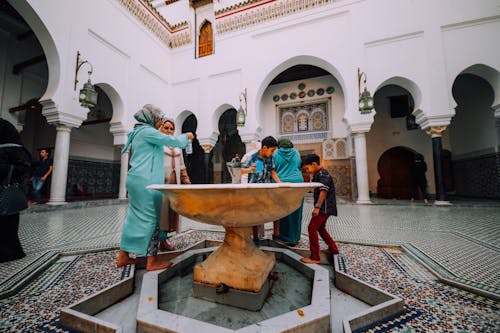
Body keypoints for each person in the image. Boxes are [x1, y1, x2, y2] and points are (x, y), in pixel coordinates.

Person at [117, 104, 194, 271]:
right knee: (152, 219)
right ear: (151, 118)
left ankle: (123, 256)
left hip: (135, 179)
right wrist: (186, 137)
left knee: (133, 217)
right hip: (147, 182)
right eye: (159, 118)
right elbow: (171, 140)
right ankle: (152, 262)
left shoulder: (137, 132)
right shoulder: (147, 131)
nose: (160, 122)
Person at [0, 118, 32, 262]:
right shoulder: (15, 148)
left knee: (7, 223)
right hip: (7, 192)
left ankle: (11, 252)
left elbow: (23, 170)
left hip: (6, 192)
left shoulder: (15, 150)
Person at [158, 118, 191, 252]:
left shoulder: (177, 146)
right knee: (162, 213)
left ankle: (164, 240)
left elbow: (182, 165)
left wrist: (186, 179)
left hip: (174, 182)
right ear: (161, 129)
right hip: (161, 182)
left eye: (171, 129)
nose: (169, 131)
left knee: (171, 211)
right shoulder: (158, 144)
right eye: (166, 128)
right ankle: (160, 241)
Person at [300, 154, 339, 264]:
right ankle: (333, 248)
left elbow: (323, 191)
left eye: (307, 168)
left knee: (312, 228)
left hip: (324, 208)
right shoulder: (319, 174)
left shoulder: (322, 174)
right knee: (320, 228)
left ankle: (315, 257)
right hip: (326, 207)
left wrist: (317, 207)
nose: (307, 171)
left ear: (314, 164)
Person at [241, 136, 280, 245]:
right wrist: (249, 169)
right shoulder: (252, 158)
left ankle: (276, 234)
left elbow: (272, 172)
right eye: (272, 150)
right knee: (254, 214)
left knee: (273, 211)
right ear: (264, 147)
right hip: (254, 191)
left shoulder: (270, 158)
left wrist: (280, 183)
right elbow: (242, 171)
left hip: (266, 190)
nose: (273, 153)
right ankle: (255, 237)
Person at [272, 137, 304, 246]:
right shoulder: (296, 152)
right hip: (298, 184)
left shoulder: (275, 153)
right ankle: (295, 237)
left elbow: (273, 169)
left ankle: (284, 236)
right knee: (296, 211)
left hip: (282, 184)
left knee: (283, 211)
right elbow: (299, 165)